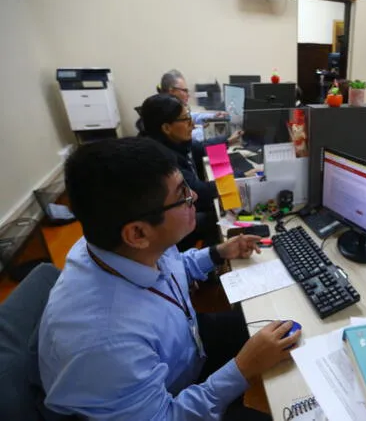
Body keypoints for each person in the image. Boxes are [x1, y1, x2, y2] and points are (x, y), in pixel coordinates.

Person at [38, 137, 300, 420]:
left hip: (184, 342)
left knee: (280, 321)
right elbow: (166, 416)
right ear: (137, 233)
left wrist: (217, 252)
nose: (195, 198)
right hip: (167, 401)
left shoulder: (118, 244)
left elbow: (171, 266)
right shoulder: (106, 343)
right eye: (182, 196)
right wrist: (243, 368)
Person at [157, 69, 240, 145]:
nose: (188, 95)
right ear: (172, 91)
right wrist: (224, 139)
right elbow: (194, 142)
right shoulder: (166, 112)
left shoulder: (171, 107)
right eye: (185, 90)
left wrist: (214, 116)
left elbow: (192, 116)